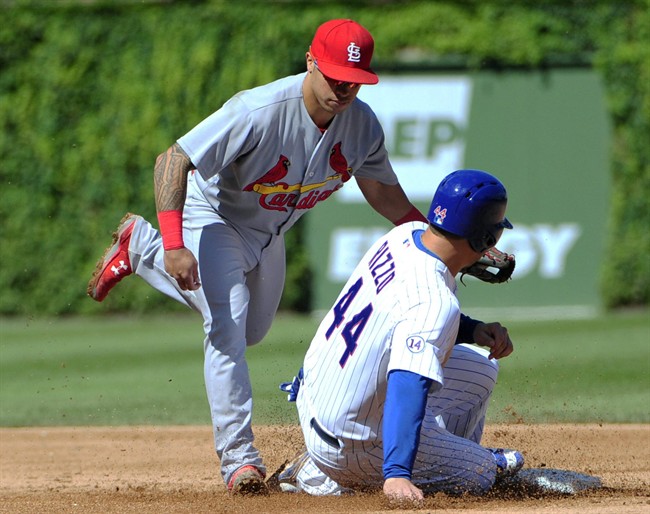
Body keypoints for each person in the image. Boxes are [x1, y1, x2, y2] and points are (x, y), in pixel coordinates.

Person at [86, 19, 431, 495]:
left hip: (269, 234)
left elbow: (386, 196)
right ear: (310, 61)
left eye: (353, 80)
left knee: (252, 331)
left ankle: (137, 247)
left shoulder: (361, 125)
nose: (343, 88)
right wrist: (173, 242)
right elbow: (172, 159)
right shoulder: (259, 110)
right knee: (226, 326)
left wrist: (441, 241)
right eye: (332, 75)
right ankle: (239, 460)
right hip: (216, 217)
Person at [272, 169, 524, 503]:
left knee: (482, 370)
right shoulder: (434, 302)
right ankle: (321, 474)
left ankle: (435, 453)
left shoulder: (406, 234)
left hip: (318, 394)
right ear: (483, 240)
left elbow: (401, 314)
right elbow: (408, 382)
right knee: (481, 473)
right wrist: (397, 475)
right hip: (350, 444)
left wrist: (474, 329)